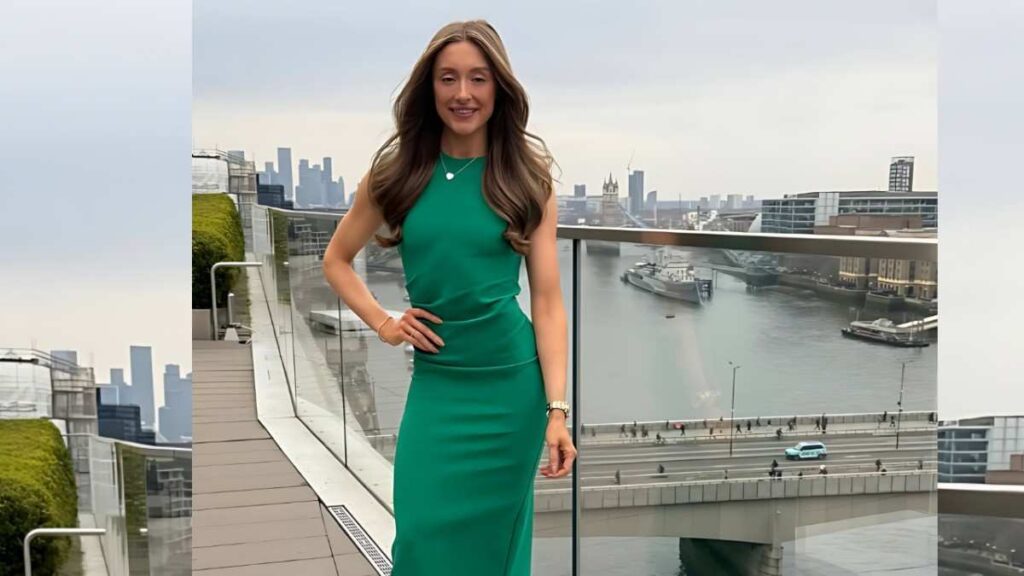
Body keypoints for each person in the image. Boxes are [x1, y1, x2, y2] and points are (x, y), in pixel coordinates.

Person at [321, 20, 576, 575]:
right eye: (448, 78)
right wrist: (385, 323)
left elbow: (548, 303)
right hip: (438, 384)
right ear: (429, 87)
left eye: (478, 78)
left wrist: (557, 410)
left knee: (493, 551)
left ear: (498, 89)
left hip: (513, 390)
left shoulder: (528, 180)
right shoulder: (397, 174)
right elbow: (336, 259)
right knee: (418, 541)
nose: (463, 93)